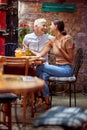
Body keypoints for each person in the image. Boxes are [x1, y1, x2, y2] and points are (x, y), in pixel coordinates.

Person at [33, 19, 74, 109]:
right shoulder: (52, 40)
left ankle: (39, 97)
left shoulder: (67, 39)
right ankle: (47, 102)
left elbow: (71, 59)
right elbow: (41, 54)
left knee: (40, 67)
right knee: (43, 75)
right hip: (58, 68)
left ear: (56, 26)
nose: (49, 27)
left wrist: (60, 49)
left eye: (51, 25)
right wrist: (28, 49)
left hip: (66, 70)